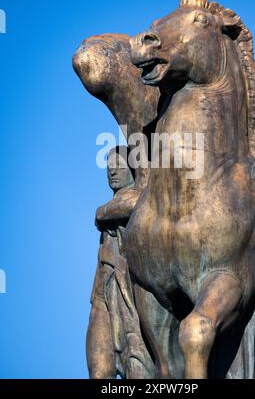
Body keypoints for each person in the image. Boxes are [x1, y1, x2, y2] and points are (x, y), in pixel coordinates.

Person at [86, 146, 154, 379]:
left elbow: (131, 205)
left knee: (136, 361)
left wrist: (101, 212)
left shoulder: (139, 196)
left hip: (130, 292)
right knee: (99, 370)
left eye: (119, 165)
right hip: (103, 294)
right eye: (109, 166)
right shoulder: (114, 205)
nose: (113, 171)